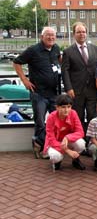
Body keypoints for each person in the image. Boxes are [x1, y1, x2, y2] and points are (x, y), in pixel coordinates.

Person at [13, 27, 61, 158]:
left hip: (54, 93)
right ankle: (40, 146)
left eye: (53, 35)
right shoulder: (33, 50)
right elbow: (16, 62)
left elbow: (59, 62)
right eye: (48, 35)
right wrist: (24, 80)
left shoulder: (56, 48)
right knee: (40, 121)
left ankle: (50, 145)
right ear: (42, 37)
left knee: (56, 121)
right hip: (38, 93)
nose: (51, 38)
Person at [61, 22, 97, 135]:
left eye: (83, 32)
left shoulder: (95, 48)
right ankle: (79, 140)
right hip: (76, 91)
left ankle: (90, 142)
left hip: (92, 90)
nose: (81, 34)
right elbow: (65, 71)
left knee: (92, 117)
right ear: (74, 34)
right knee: (77, 117)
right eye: (78, 32)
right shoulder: (68, 51)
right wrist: (69, 88)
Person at [43, 94, 86, 170]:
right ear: (57, 107)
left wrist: (67, 138)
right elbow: (51, 138)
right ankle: (58, 161)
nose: (66, 110)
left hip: (68, 140)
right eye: (63, 107)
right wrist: (67, 150)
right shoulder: (51, 118)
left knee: (81, 144)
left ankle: (75, 159)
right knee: (55, 156)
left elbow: (80, 132)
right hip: (55, 142)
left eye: (69, 107)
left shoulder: (73, 113)